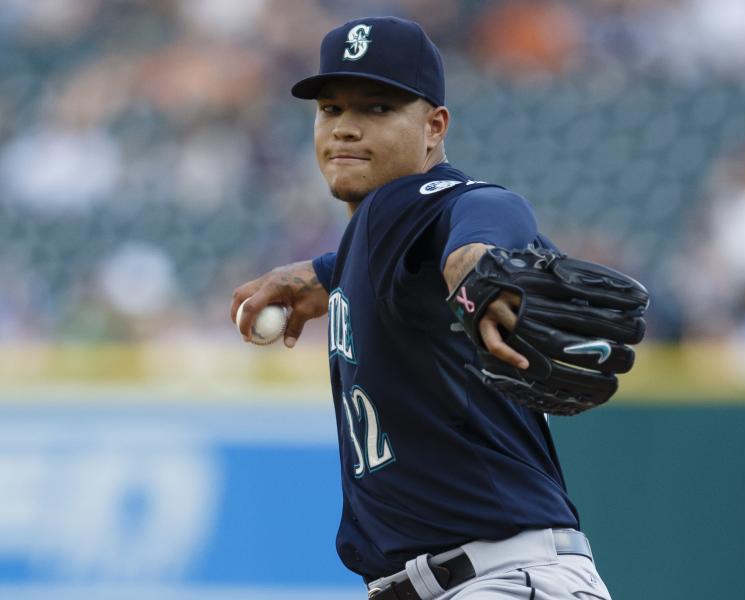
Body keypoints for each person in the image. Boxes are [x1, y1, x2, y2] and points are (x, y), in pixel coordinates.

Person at [232, 16, 613, 600]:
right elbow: (392, 255)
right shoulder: (375, 246)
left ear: (435, 127)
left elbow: (487, 205)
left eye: (377, 109)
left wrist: (476, 252)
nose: (346, 130)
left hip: (500, 580)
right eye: (331, 110)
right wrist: (321, 274)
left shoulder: (412, 206)